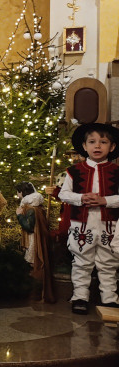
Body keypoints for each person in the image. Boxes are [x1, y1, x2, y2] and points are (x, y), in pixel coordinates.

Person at [60, 123, 119, 314]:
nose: (97, 146)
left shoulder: (116, 171)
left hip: (108, 224)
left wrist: (104, 200)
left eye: (103, 142)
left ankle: (109, 298)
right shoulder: (74, 171)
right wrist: (81, 197)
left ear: (112, 147)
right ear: (84, 146)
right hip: (81, 224)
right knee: (82, 262)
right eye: (92, 142)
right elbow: (64, 194)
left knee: (108, 262)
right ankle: (79, 296)